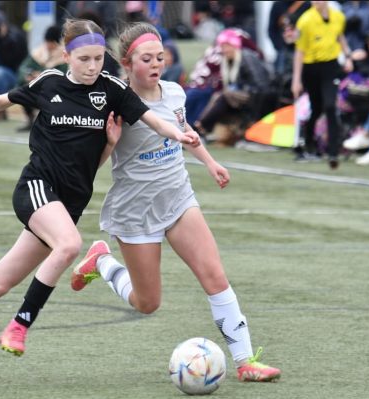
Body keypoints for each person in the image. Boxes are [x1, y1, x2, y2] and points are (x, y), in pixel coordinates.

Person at [0, 18, 201, 382]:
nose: (93, 67)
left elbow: (154, 121)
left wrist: (175, 136)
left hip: (68, 203)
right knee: (69, 245)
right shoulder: (48, 83)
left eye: (98, 59)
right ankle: (19, 324)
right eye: (84, 60)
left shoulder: (111, 91)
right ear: (66, 56)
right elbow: (3, 99)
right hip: (37, 188)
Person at [69, 21, 281, 383]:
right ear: (126, 62)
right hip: (135, 210)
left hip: (179, 198)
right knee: (147, 303)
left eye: (160, 58)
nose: (155, 65)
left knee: (214, 275)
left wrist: (212, 163)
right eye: (146, 59)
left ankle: (246, 361)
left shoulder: (175, 94)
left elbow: (187, 133)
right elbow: (92, 164)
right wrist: (108, 140)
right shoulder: (116, 104)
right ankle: (101, 261)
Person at [291, 1, 353, 169]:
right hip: (311, 67)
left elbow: (339, 36)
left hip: (330, 66)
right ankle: (309, 142)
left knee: (330, 106)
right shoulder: (305, 20)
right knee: (316, 108)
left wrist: (347, 56)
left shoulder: (338, 16)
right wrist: (296, 79)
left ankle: (333, 151)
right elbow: (299, 51)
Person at [15, 25, 66, 132]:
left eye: (51, 42)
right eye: (47, 41)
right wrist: (28, 75)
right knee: (21, 88)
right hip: (36, 87)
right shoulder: (39, 52)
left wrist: (42, 76)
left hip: (53, 91)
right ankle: (30, 120)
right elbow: (23, 68)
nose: (48, 45)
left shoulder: (63, 55)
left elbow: (62, 75)